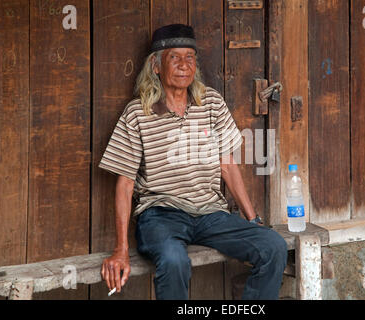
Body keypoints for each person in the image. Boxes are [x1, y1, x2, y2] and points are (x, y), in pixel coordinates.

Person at [99, 24, 287, 300]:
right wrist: (121, 250)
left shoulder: (210, 103)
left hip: (210, 214)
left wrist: (253, 219)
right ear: (156, 66)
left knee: (273, 246)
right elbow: (125, 184)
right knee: (175, 260)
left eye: (190, 57)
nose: (184, 65)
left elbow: (227, 166)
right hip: (161, 215)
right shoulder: (137, 113)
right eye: (174, 57)